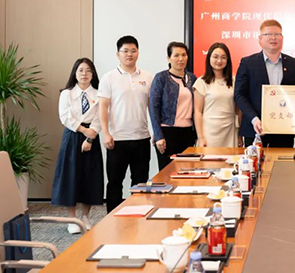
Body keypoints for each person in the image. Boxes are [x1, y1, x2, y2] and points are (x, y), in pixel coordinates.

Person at [98, 35, 153, 213]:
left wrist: (155, 132)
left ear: (138, 53)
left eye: (133, 51)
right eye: (125, 51)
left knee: (140, 183)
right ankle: (112, 219)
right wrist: (106, 133)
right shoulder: (109, 77)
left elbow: (152, 107)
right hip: (117, 139)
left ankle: (138, 215)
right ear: (118, 54)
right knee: (115, 182)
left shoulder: (147, 77)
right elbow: (103, 107)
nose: (129, 54)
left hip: (142, 138)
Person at [234, 19, 295, 148]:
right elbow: (239, 95)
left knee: (284, 161)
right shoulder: (248, 63)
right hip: (255, 128)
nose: (273, 38)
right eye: (268, 34)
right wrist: (254, 118)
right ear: (260, 39)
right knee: (255, 161)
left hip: (284, 130)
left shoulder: (293, 64)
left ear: (282, 38)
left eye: (277, 34)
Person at [51, 58, 103, 234]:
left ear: (93, 74)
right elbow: (64, 116)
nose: (84, 74)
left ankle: (85, 217)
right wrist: (83, 130)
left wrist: (90, 137)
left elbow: (100, 117)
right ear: (75, 73)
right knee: (70, 175)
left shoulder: (98, 94)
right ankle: (72, 219)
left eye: (88, 70)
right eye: (81, 70)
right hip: (73, 136)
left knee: (90, 176)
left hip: (92, 137)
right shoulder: (66, 94)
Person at [149, 41, 197, 171]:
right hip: (167, 133)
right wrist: (158, 135)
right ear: (168, 58)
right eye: (176, 55)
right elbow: (153, 107)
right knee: (167, 173)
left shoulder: (192, 78)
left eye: (184, 55)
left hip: (188, 132)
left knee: (187, 173)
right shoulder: (161, 78)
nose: (181, 59)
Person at [194, 42, 237, 147]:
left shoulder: (234, 81)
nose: (219, 61)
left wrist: (239, 133)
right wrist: (201, 137)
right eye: (215, 57)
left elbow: (238, 110)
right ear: (209, 58)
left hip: (230, 130)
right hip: (209, 132)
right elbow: (198, 112)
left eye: (223, 57)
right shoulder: (201, 82)